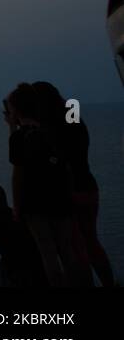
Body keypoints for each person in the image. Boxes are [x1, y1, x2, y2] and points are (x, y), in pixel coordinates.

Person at [5, 83, 90, 287]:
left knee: (48, 253)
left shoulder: (18, 137)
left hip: (36, 203)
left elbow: (18, 174)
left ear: (15, 110)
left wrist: (17, 206)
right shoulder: (50, 132)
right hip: (61, 199)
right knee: (68, 251)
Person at [31, 81, 113, 287]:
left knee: (76, 245)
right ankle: (108, 283)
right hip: (87, 184)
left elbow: (56, 154)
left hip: (70, 189)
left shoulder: (49, 127)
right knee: (91, 241)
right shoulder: (72, 116)